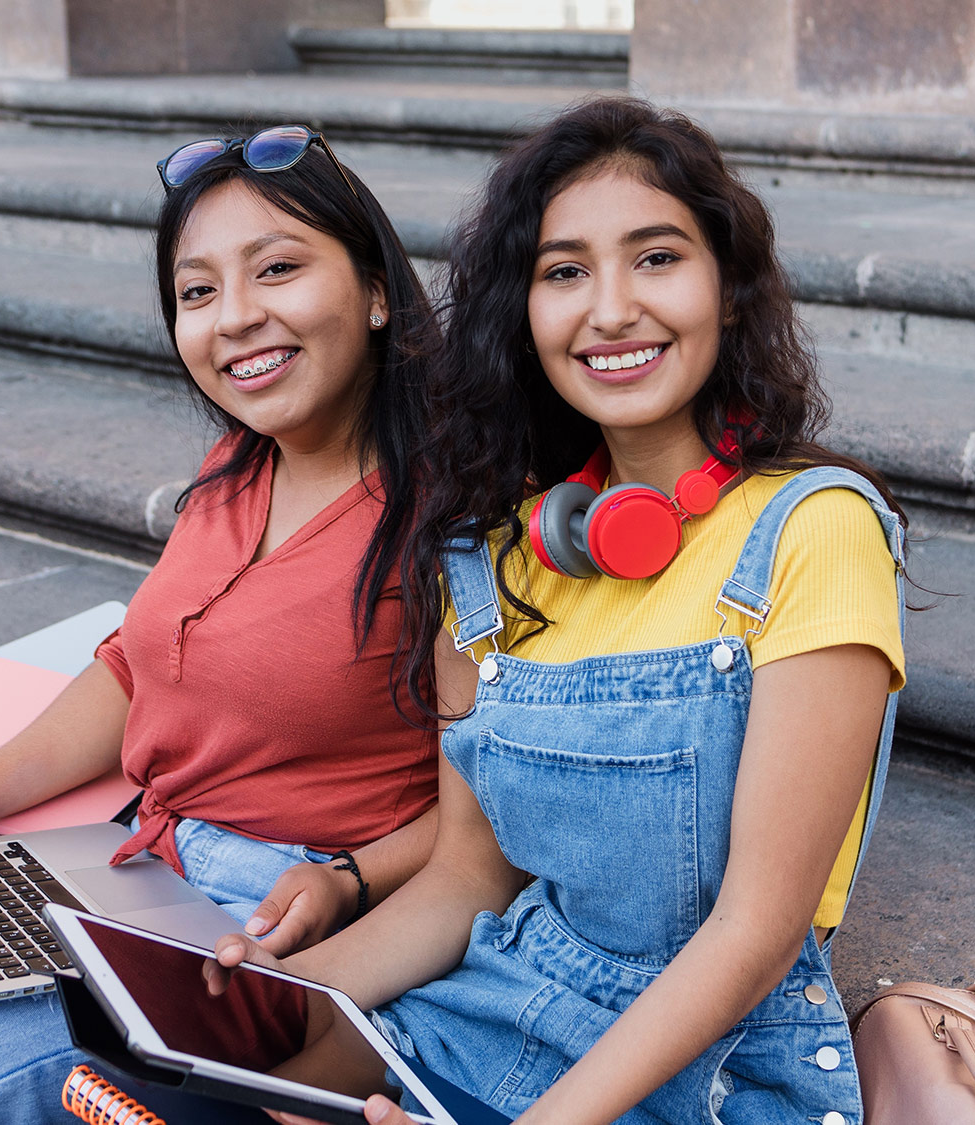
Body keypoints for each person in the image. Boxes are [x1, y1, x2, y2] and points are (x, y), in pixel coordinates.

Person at [0, 124, 444, 1124]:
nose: (233, 318)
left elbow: (504, 815)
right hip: (129, 870)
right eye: (196, 293)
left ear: (375, 291)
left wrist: (347, 875)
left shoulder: (453, 516)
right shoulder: (239, 466)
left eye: (276, 270)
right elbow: (134, 665)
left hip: (264, 924)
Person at [216, 97, 908, 1125]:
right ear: (522, 314)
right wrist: (283, 1001)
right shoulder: (491, 557)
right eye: (564, 272)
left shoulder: (814, 533)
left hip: (704, 1067)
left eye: (656, 258)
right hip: (495, 1007)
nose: (610, 309)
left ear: (727, 288)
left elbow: (754, 932)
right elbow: (463, 882)